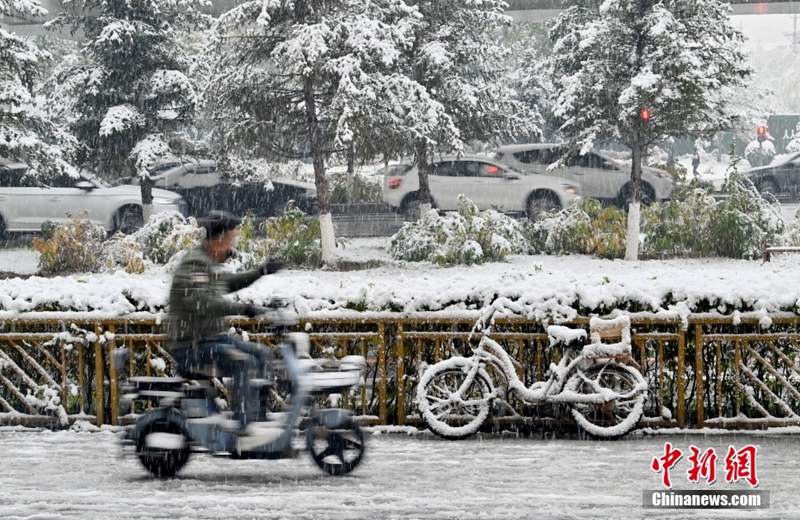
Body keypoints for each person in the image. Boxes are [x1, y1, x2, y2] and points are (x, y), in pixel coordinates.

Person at [166, 210, 284, 429]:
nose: (232, 247)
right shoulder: (194, 264)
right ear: (218, 240)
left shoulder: (207, 262)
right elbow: (204, 302)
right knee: (244, 363)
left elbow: (227, 282)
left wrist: (261, 272)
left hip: (210, 339)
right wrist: (244, 308)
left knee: (262, 354)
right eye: (231, 241)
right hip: (190, 345)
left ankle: (257, 416)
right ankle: (245, 426)